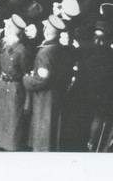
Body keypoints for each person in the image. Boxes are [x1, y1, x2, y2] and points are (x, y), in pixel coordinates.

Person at [23, 15, 72, 151]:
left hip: (45, 99)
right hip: (57, 95)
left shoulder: (45, 52)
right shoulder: (60, 49)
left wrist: (26, 79)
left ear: (45, 30)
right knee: (53, 132)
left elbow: (41, 79)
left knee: (43, 134)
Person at [0, 14, 35, 151]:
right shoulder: (4, 44)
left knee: (12, 127)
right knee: (0, 125)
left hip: (15, 90)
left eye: (7, 26)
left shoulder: (22, 51)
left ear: (10, 28)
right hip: (1, 87)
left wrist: (28, 101)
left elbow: (28, 77)